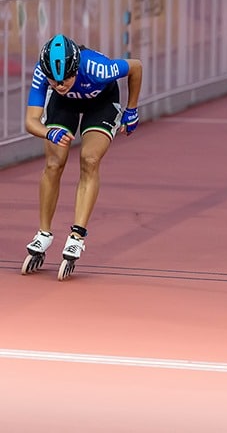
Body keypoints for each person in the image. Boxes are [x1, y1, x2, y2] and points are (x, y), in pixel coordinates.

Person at [23, 34, 143, 279]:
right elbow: (30, 122)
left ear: (75, 68)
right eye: (53, 81)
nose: (60, 84)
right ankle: (43, 233)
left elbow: (136, 67)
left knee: (89, 160)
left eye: (65, 78)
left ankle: (77, 236)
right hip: (65, 106)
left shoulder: (99, 69)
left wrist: (132, 109)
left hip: (101, 102)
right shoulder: (43, 73)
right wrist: (49, 132)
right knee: (54, 163)